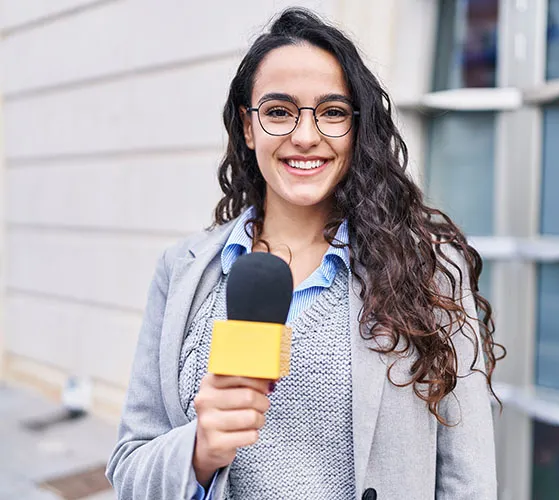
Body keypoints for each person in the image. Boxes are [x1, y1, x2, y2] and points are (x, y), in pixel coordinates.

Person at [106, 7, 503, 500]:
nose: (306, 135)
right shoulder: (181, 271)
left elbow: (469, 479)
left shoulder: (429, 269)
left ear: (357, 130)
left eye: (333, 112)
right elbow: (129, 469)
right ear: (247, 129)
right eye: (278, 111)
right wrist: (199, 450)